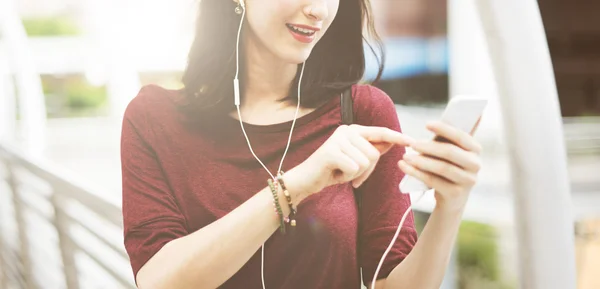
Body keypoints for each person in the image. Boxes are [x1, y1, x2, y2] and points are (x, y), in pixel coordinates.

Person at [120, 0, 483, 288]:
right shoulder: (154, 118)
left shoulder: (362, 112)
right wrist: (297, 184)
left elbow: (391, 284)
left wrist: (450, 206)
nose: (319, 9)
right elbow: (158, 281)